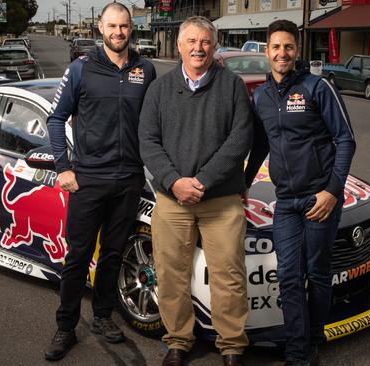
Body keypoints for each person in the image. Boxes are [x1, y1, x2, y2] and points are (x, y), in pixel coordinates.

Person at [44, 2, 156, 361]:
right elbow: (55, 119)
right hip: (88, 179)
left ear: (130, 29)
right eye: (112, 26)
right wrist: (63, 167)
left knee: (111, 254)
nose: (118, 32)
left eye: (124, 26)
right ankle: (65, 326)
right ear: (100, 28)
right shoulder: (81, 69)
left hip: (129, 180)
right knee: (77, 257)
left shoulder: (146, 69)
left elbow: (156, 124)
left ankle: (103, 316)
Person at [139, 16, 252, 366]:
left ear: (214, 46)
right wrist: (174, 181)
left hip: (220, 199)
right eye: (191, 41)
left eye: (205, 41)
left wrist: (201, 181)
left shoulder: (232, 86)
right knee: (170, 273)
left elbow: (240, 140)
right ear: (179, 46)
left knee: (229, 274)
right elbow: (148, 140)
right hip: (173, 200)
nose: (198, 47)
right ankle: (178, 340)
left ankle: (231, 345)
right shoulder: (159, 89)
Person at [244, 20, 355, 366]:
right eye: (275, 47)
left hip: (319, 198)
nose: (282, 53)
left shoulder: (317, 87)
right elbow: (261, 144)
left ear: (296, 51)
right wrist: (244, 183)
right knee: (289, 275)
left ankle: (313, 338)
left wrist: (332, 191)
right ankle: (297, 349)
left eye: (288, 47)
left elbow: (345, 139)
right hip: (286, 203)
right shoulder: (261, 95)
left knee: (317, 273)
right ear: (267, 51)